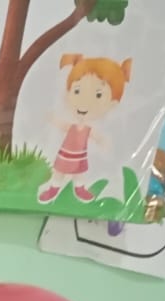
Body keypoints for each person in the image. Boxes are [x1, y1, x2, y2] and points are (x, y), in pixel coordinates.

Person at [40, 54, 133, 205]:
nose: (84, 102)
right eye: (77, 91)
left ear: (112, 103)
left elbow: (97, 136)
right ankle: (53, 188)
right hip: (66, 154)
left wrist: (104, 142)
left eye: (98, 95)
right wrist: (52, 119)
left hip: (78, 156)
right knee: (59, 172)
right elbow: (63, 125)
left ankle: (80, 189)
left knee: (79, 173)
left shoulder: (88, 129)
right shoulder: (73, 125)